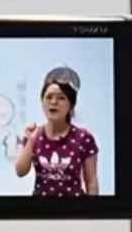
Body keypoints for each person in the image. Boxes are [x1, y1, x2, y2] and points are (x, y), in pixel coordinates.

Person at [14, 67, 99, 196]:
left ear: (71, 105)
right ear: (42, 102)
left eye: (61, 98)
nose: (53, 102)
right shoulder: (34, 135)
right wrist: (30, 141)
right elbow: (20, 172)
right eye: (49, 97)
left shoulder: (84, 137)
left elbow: (91, 181)